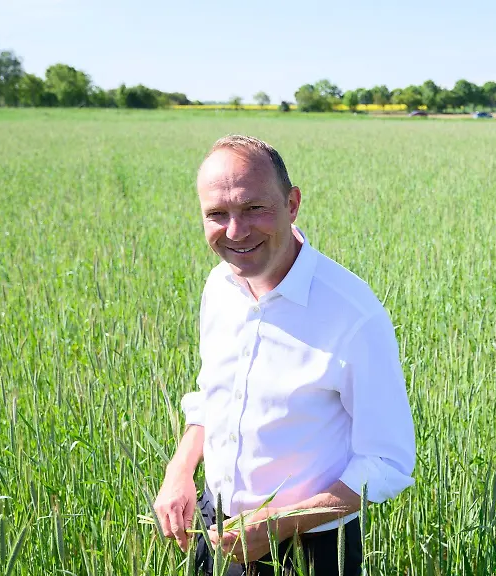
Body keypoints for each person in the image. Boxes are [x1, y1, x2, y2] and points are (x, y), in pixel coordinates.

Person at [152, 134, 416, 576]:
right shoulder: (219, 287)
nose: (235, 231)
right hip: (216, 530)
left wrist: (278, 523)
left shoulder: (352, 314)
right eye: (217, 214)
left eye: (255, 208)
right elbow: (214, 395)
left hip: (310, 547)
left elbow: (387, 462)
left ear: (292, 203)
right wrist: (179, 473)